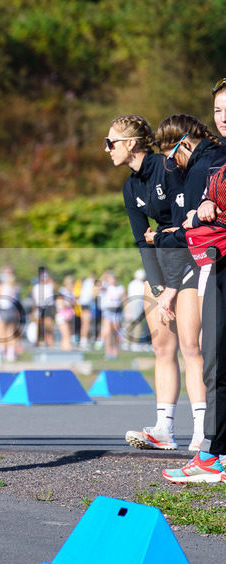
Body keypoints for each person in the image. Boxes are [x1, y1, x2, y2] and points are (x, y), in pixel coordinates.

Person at [107, 115, 190, 451]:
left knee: (196, 351)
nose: (107, 149)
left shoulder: (168, 168)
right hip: (164, 265)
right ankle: (164, 429)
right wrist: (158, 288)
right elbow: (143, 243)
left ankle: (204, 435)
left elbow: (185, 226)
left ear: (131, 144)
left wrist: (172, 286)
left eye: (110, 142)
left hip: (191, 259)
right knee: (161, 348)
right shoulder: (130, 186)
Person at [151, 114, 222, 451]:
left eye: (170, 155)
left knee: (207, 352)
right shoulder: (208, 160)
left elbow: (194, 233)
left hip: (210, 264)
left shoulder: (200, 167)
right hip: (203, 262)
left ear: (184, 143)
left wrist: (165, 239)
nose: (170, 163)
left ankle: (207, 439)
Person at [98, 270, 125, 360]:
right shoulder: (106, 287)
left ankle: (115, 352)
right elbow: (98, 285)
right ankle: (108, 352)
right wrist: (104, 275)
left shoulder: (120, 288)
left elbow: (125, 300)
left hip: (117, 312)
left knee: (115, 333)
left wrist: (128, 312)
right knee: (107, 333)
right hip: (107, 312)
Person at [124, 268, 149, 349]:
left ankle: (128, 342)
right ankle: (134, 343)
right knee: (137, 324)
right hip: (138, 303)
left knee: (131, 323)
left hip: (133, 303)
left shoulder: (132, 283)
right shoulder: (141, 285)